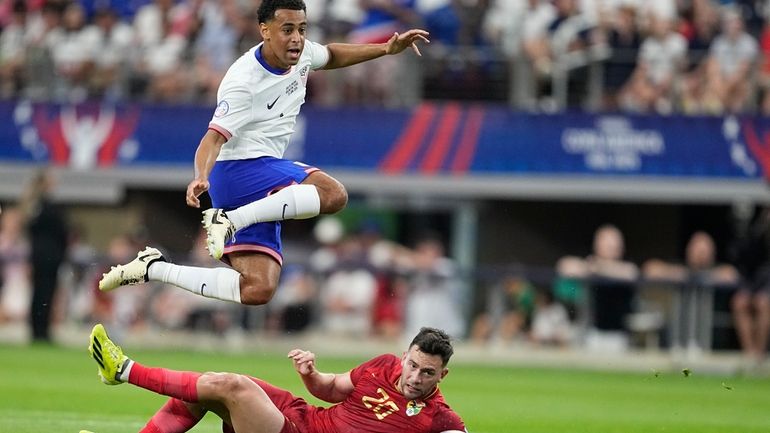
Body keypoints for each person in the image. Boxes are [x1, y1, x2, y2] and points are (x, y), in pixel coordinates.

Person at [98, 0, 430, 307]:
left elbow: (331, 54)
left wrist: (386, 49)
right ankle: (229, 221)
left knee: (258, 288)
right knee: (334, 195)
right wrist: (200, 177)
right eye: (287, 30)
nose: (297, 38)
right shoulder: (243, 80)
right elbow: (212, 138)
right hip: (239, 170)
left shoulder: (301, 55)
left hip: (259, 178)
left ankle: (155, 268)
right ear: (265, 30)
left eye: (301, 29)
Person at [82, 324, 466, 433]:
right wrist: (311, 374)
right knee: (212, 387)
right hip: (302, 417)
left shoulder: (439, 418)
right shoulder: (383, 365)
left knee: (231, 388)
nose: (415, 377)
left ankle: (124, 370)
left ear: (442, 375)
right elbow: (330, 390)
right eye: (412, 365)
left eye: (427, 372)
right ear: (404, 356)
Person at [20, 169, 69, 343]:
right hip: (48, 258)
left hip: (40, 257)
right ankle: (40, 331)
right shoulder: (46, 206)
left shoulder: (34, 206)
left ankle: (38, 330)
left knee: (40, 294)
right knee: (44, 294)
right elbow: (61, 232)